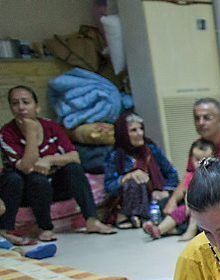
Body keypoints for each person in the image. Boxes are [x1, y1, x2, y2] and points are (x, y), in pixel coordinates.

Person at [0, 85, 114, 245]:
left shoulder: (51, 127)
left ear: (37, 107)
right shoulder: (6, 133)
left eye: (26, 102)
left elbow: (74, 157)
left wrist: (49, 160)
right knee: (30, 178)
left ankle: (91, 220)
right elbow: (27, 167)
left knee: (73, 168)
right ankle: (44, 227)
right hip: (27, 190)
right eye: (15, 103)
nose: (21, 108)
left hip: (54, 185)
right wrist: (31, 132)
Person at [160, 97, 220, 237]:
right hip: (205, 194)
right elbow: (190, 176)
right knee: (166, 202)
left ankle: (186, 226)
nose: (201, 123)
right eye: (197, 118)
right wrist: (172, 201)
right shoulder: (198, 146)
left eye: (207, 118)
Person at [104, 112, 179, 230]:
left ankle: (144, 218)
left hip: (155, 201)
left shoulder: (151, 150)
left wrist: (164, 191)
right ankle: (128, 216)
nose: (140, 133)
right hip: (126, 204)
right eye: (133, 130)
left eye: (141, 129)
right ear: (124, 134)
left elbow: (172, 174)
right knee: (134, 181)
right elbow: (109, 187)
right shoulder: (116, 156)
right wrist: (127, 177)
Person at [147, 138, 215, 241]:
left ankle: (189, 231)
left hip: (206, 209)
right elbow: (187, 191)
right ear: (191, 158)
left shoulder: (214, 175)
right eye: (197, 160)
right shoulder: (191, 176)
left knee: (195, 214)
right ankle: (158, 230)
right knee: (179, 212)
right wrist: (188, 205)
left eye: (206, 160)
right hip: (189, 207)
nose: (200, 164)